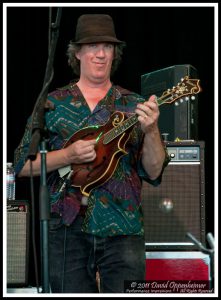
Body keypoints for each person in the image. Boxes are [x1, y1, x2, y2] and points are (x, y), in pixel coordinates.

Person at [14, 14, 170, 293]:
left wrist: (152, 130)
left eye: (107, 47)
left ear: (115, 54)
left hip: (123, 228)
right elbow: (20, 165)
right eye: (92, 46)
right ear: (77, 53)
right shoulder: (53, 103)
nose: (100, 54)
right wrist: (68, 155)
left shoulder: (133, 104)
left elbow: (155, 170)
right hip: (65, 230)